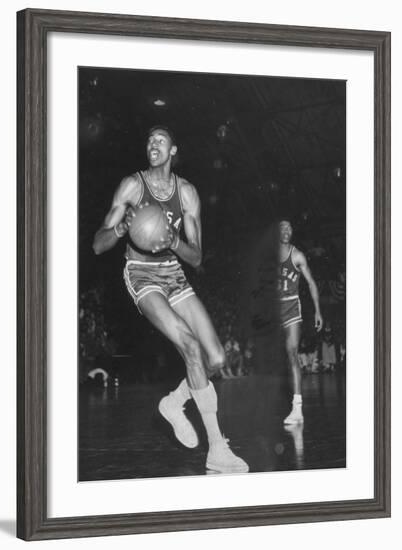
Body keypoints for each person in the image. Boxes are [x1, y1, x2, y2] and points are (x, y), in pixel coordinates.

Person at [93, 125, 248, 473]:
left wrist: (171, 240)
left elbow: (196, 258)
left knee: (218, 357)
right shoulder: (132, 186)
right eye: (149, 139)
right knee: (191, 347)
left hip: (174, 273)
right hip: (141, 274)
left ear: (173, 150)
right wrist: (120, 230)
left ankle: (174, 403)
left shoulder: (188, 194)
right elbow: (97, 244)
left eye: (160, 139)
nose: (153, 144)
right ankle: (217, 449)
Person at [277, 220, 323, 424]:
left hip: (291, 308)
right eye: (282, 228)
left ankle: (297, 409)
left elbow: (311, 283)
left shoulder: (297, 255)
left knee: (292, 352)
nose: (286, 230)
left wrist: (318, 311)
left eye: (289, 227)